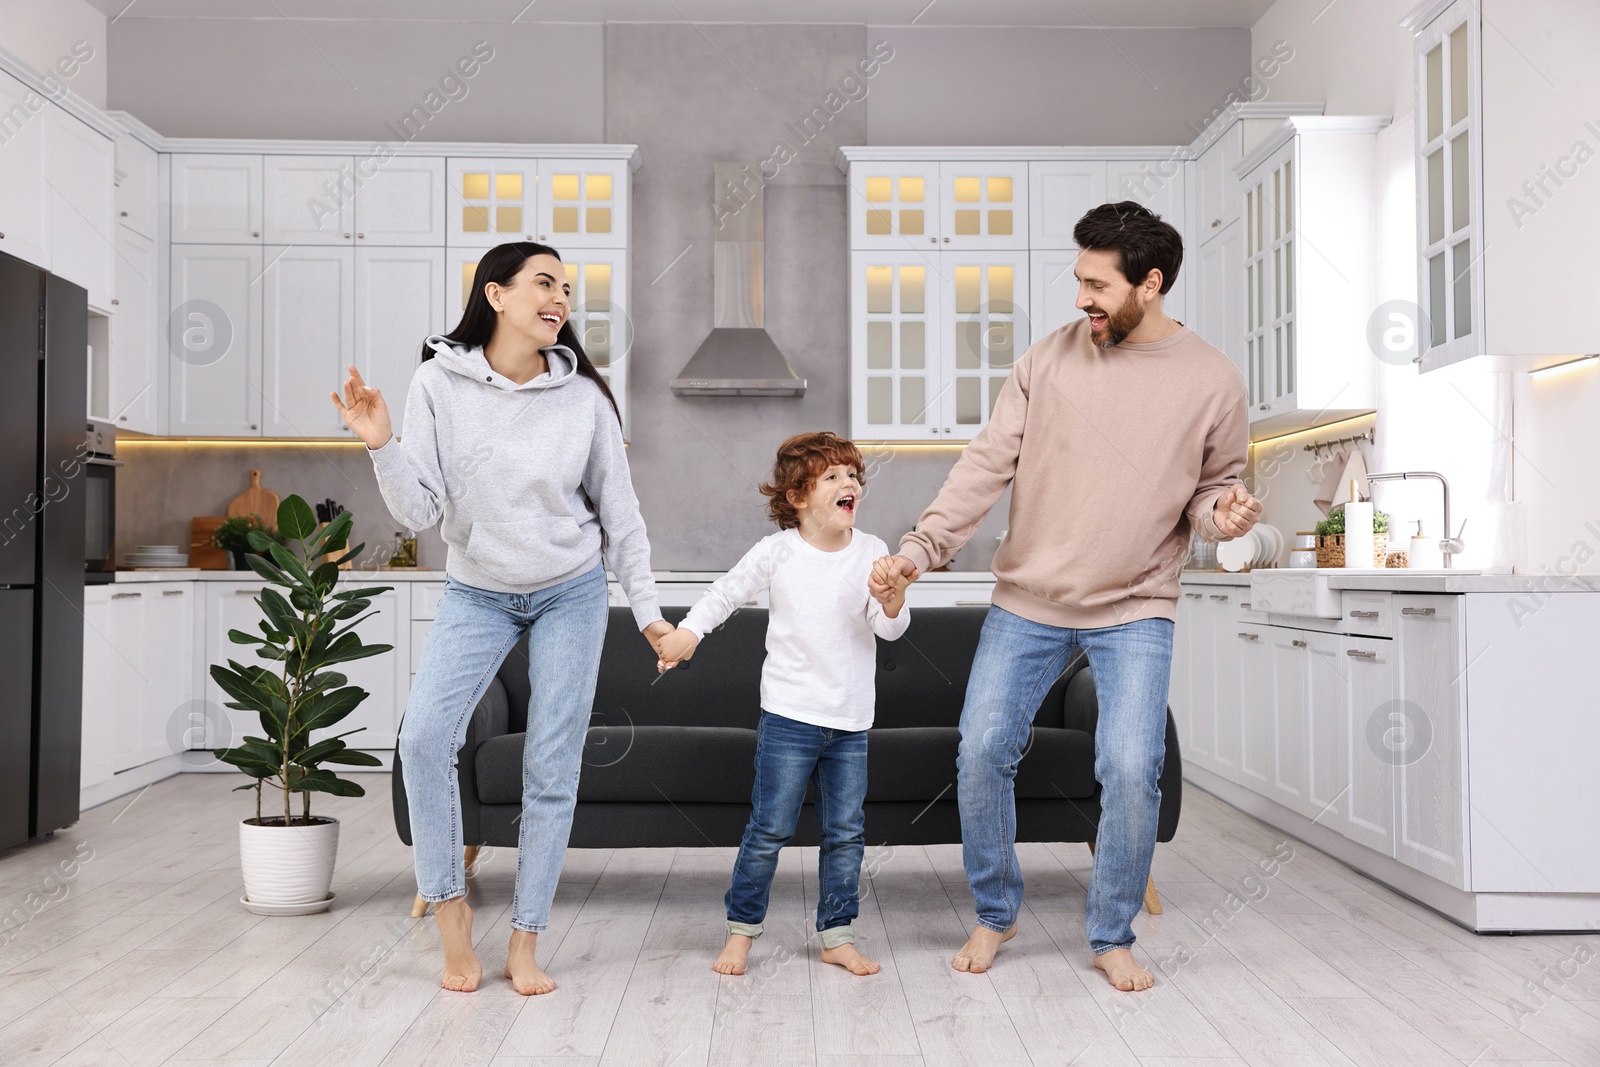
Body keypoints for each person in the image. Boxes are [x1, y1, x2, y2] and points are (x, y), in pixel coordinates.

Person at [870, 201, 1259, 993]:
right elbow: (984, 465)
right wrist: (920, 549)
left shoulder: (1213, 379)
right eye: (1078, 278)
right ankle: (995, 909)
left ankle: (1111, 930)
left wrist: (1223, 516)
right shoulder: (1048, 360)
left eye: (1096, 282)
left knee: (1129, 764)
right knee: (981, 751)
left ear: (1149, 284)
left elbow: (1212, 492)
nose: (1081, 297)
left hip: (1137, 603)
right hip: (1030, 599)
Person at [332, 241, 674, 995]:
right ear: (496, 294)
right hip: (478, 589)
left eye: (566, 288)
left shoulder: (583, 397)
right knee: (422, 739)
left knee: (551, 767)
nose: (560, 298)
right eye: (544, 282)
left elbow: (623, 518)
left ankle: (525, 940)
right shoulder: (438, 384)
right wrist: (382, 444)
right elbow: (420, 509)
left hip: (570, 589)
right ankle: (453, 922)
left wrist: (648, 612)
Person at [654, 431, 912, 978]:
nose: (851, 485)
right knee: (770, 829)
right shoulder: (778, 551)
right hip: (789, 718)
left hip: (849, 721)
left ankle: (837, 935)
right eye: (834, 476)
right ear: (797, 496)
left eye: (853, 475)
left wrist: (893, 600)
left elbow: (886, 630)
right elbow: (725, 593)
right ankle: (742, 932)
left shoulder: (873, 551)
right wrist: (688, 634)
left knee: (845, 833)